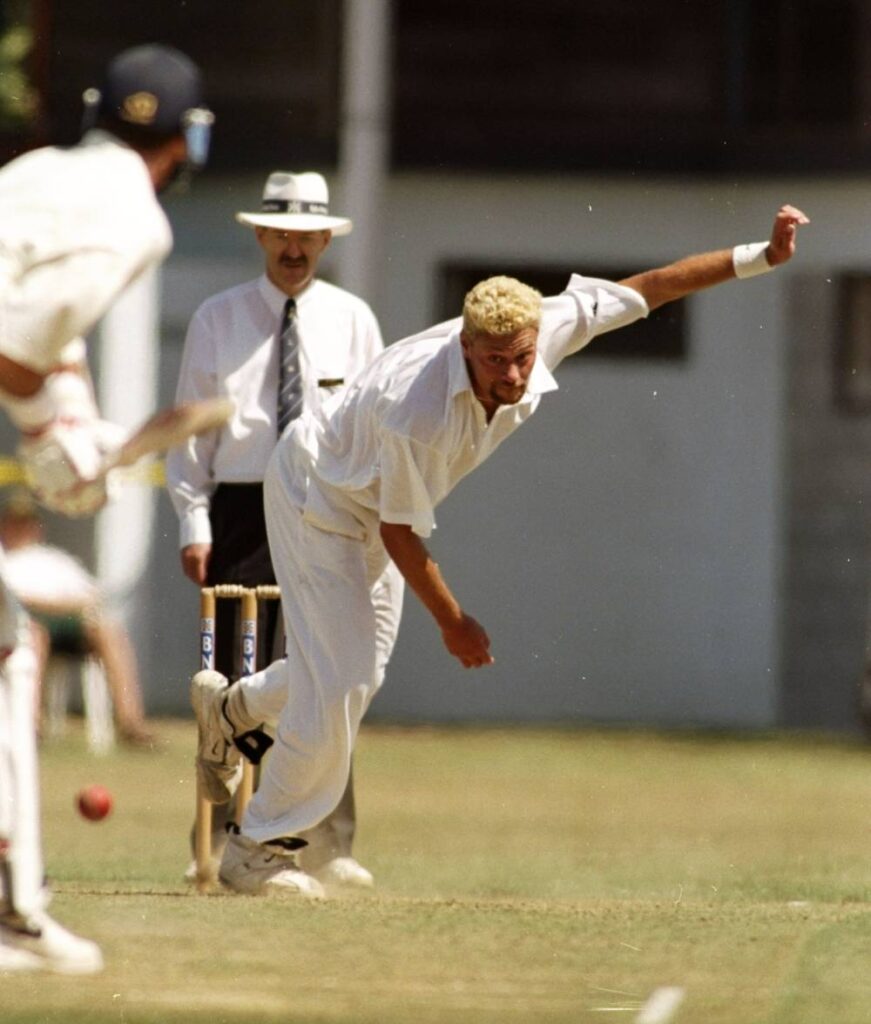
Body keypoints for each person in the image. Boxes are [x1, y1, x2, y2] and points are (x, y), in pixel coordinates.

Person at [192, 205, 810, 898]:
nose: (514, 375)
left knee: (353, 675)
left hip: (370, 495)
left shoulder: (544, 326)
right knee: (339, 682)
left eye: (521, 356)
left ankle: (233, 710)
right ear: (464, 346)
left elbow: (656, 285)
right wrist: (454, 621)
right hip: (319, 496)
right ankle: (256, 849)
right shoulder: (416, 409)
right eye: (495, 362)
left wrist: (766, 253)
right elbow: (400, 535)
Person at [0, 44, 212, 973]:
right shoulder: (137, 221)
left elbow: (38, 328)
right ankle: (12, 914)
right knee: (12, 654)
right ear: (187, 141)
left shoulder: (38, 168)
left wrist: (68, 411)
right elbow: (12, 346)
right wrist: (63, 445)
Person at [166, 171, 385, 888]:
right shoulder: (218, 317)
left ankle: (329, 839)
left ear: (325, 239)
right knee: (231, 680)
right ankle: (229, 840)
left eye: (307, 236)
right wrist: (193, 521)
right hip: (240, 505)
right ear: (260, 235)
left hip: (325, 503)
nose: (294, 248)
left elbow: (372, 424)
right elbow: (189, 431)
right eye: (281, 233)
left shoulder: (352, 317)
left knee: (329, 667)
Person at [0, 492, 156, 748]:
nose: (22, 529)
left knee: (108, 630)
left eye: (26, 523)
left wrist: (66, 606)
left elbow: (92, 595)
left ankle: (131, 722)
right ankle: (31, 723)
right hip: (29, 624)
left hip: (69, 621)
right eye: (15, 523)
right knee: (34, 635)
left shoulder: (55, 559)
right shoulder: (5, 561)